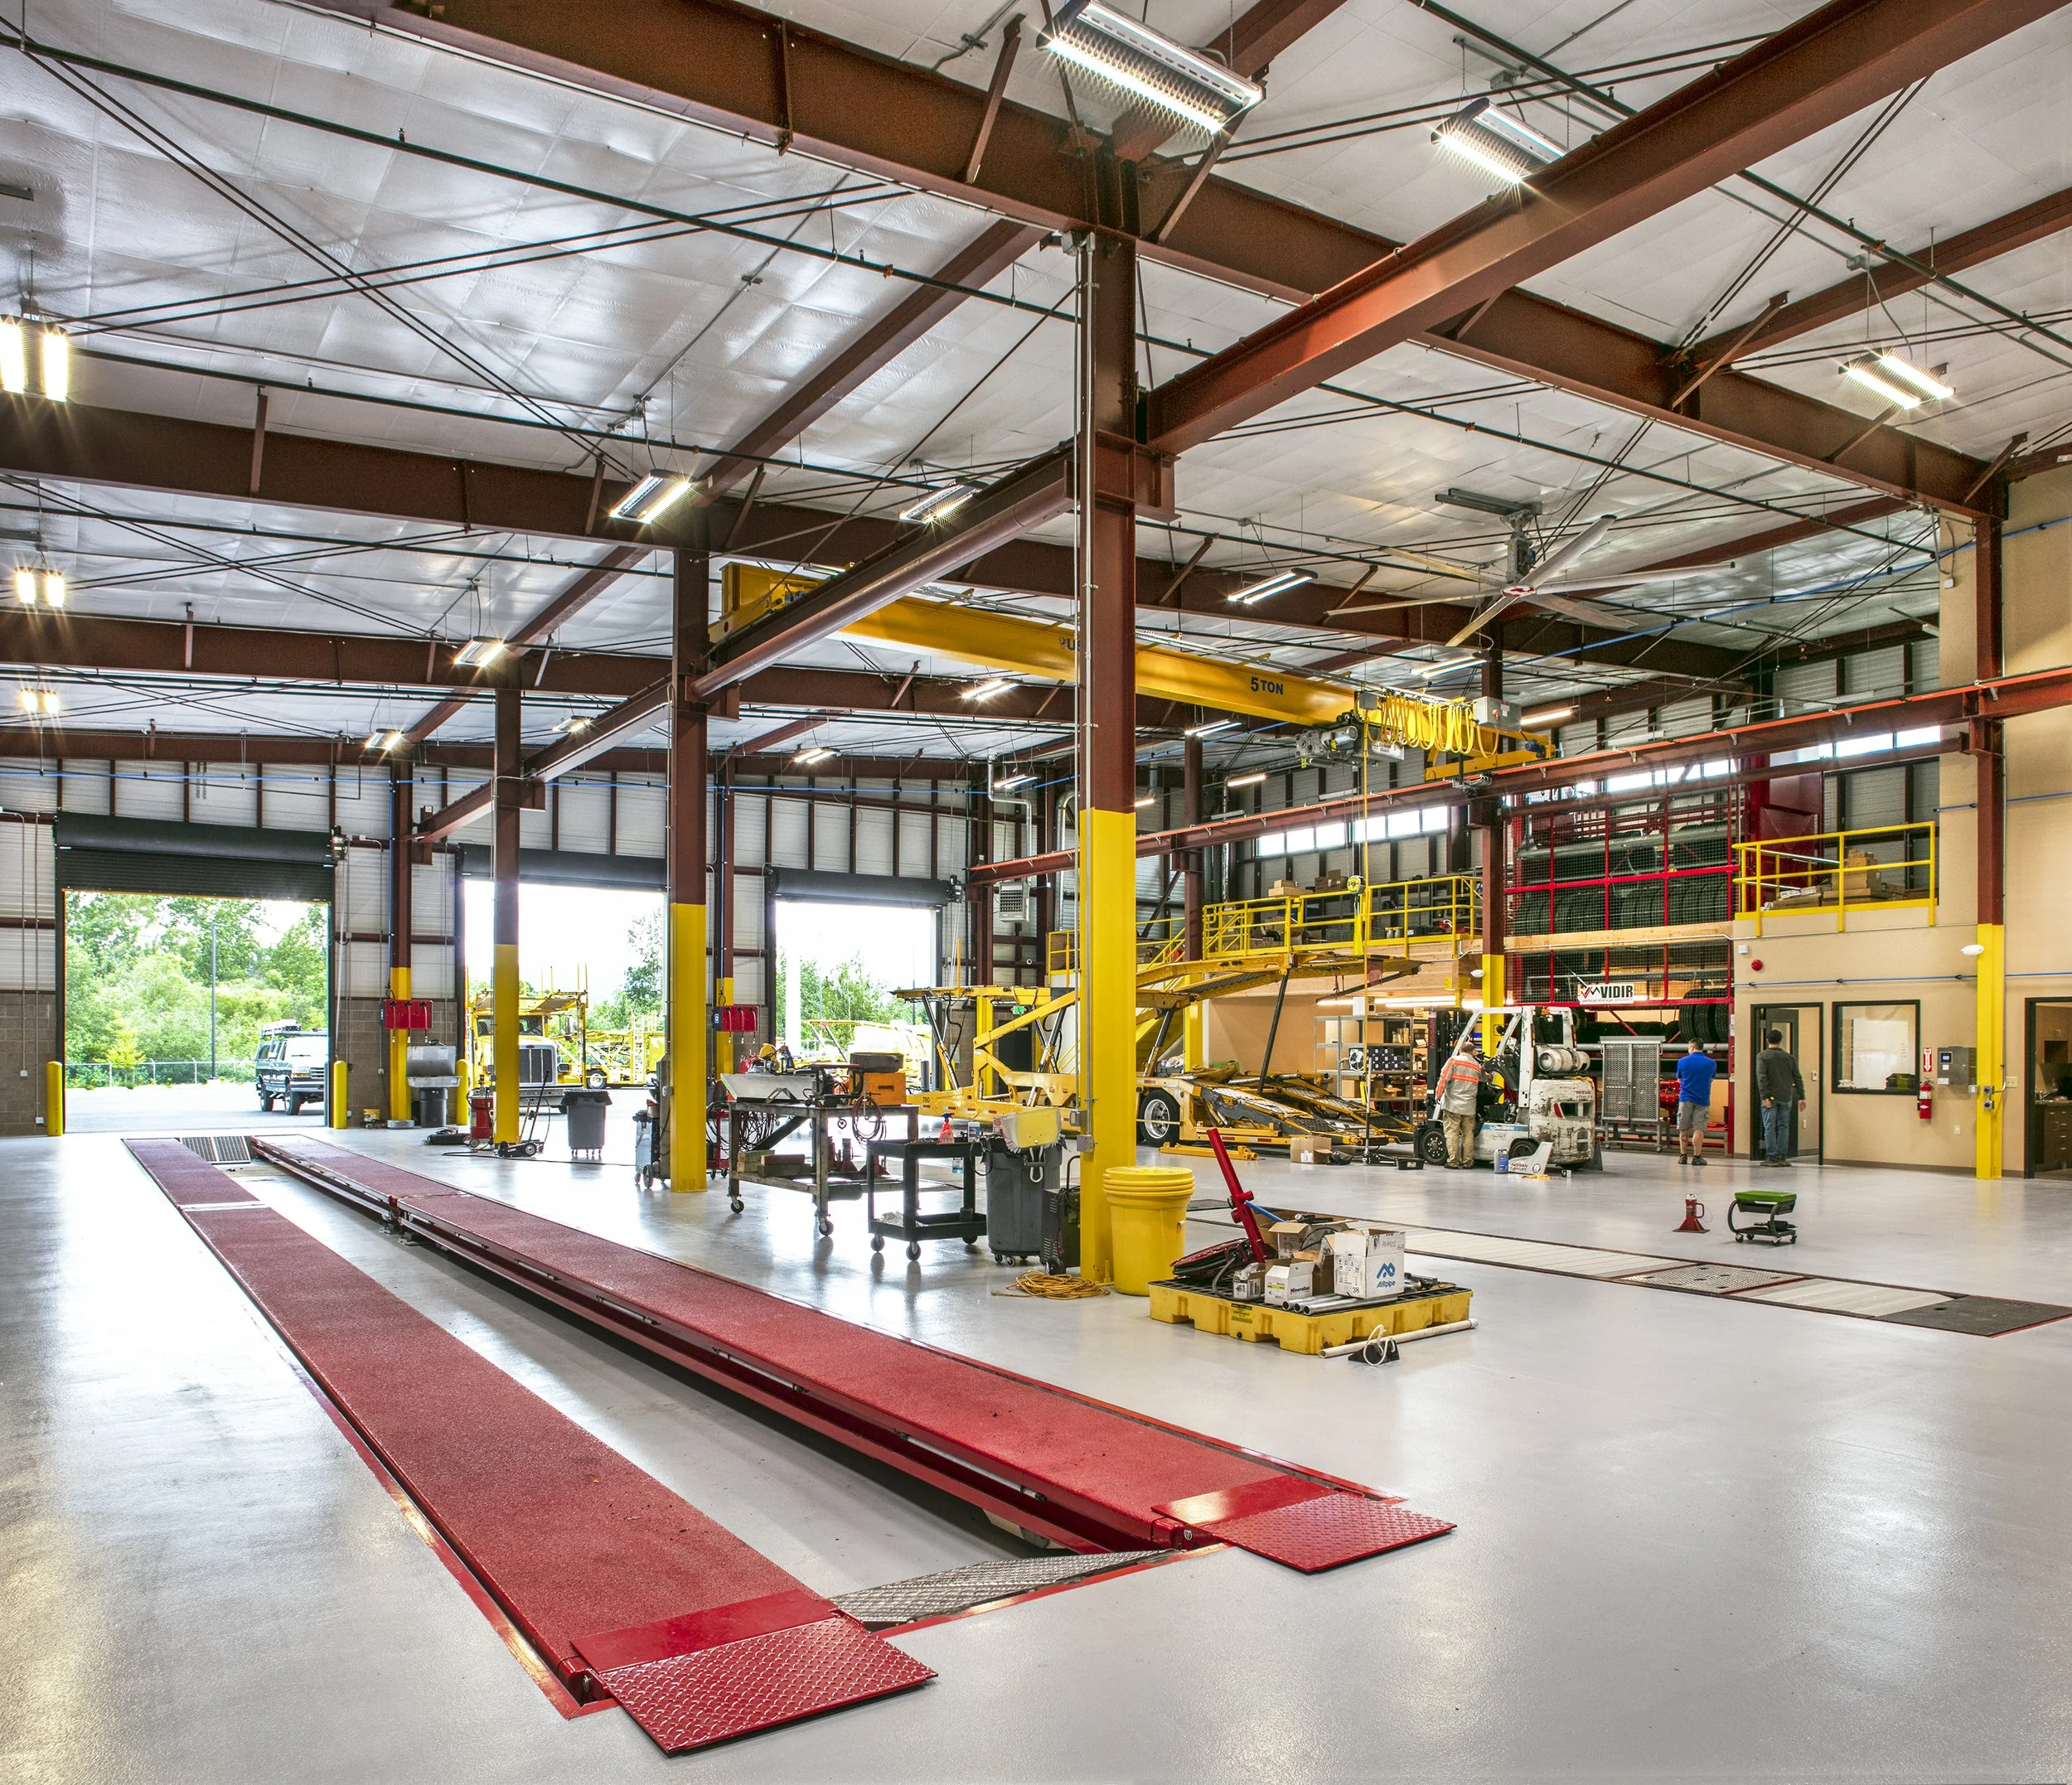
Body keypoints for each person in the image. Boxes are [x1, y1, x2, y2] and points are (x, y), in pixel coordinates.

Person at [1755, 1029, 1807, 1166]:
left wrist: (1764, 1096)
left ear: (1767, 1040)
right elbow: (1798, 1077)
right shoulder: (1788, 1057)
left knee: (1769, 1126)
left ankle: (1771, 1157)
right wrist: (1801, 1096)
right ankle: (1782, 1157)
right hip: (1785, 1096)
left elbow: (1761, 1077)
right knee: (1784, 1126)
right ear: (1780, 1041)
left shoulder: (1762, 1056)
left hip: (1770, 1097)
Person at [1435, 1043, 1484, 1168]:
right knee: (1468, 1134)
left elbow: (1444, 1079)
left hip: (1453, 1105)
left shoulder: (1453, 1061)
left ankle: (1453, 1162)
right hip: (1469, 1106)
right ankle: (1468, 1162)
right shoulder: (1476, 1065)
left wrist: (1437, 1095)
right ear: (1473, 1052)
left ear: (1460, 1050)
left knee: (1452, 1133)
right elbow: (1484, 1078)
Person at [1675, 1041, 1717, 1166]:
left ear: (1692, 1048)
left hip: (1685, 1099)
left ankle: (1683, 1156)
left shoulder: (1682, 1061)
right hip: (1702, 1099)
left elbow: (1679, 1079)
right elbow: (1711, 1080)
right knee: (1699, 1129)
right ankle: (1697, 1157)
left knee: (1684, 1128)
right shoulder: (1711, 1063)